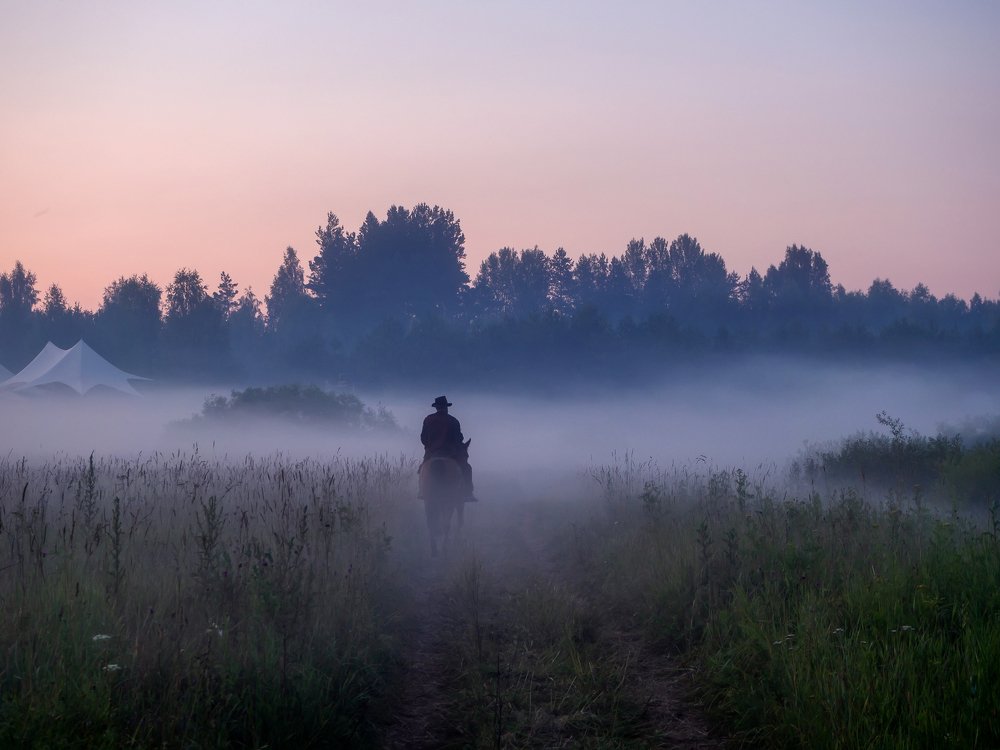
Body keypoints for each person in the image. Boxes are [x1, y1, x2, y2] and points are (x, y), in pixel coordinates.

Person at [420, 395, 476, 501]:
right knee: (466, 468)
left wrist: (430, 446)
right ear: (446, 407)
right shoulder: (453, 421)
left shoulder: (428, 419)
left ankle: (421, 491)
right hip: (451, 453)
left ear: (436, 407)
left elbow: (423, 438)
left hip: (432, 453)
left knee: (421, 469)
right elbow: (459, 439)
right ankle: (468, 493)